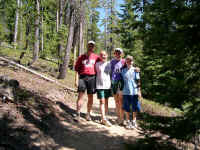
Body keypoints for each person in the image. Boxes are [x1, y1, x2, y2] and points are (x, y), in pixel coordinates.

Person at [74, 40, 101, 121]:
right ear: (87, 46)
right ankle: (77, 114)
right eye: (89, 45)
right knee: (80, 96)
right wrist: (76, 80)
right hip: (82, 77)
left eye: (92, 46)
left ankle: (88, 114)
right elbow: (76, 69)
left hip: (92, 78)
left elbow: (104, 62)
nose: (91, 47)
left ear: (94, 47)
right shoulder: (81, 57)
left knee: (90, 97)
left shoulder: (96, 57)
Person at [120, 55, 142, 129]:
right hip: (125, 91)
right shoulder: (123, 70)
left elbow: (138, 81)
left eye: (130, 60)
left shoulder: (135, 70)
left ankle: (134, 121)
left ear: (133, 61)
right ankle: (128, 121)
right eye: (127, 60)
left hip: (134, 91)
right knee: (126, 107)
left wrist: (139, 91)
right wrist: (120, 90)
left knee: (135, 107)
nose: (129, 62)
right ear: (125, 61)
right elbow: (121, 81)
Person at [95, 51, 112, 127]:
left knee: (106, 102)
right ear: (100, 56)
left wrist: (135, 68)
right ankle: (103, 118)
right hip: (99, 86)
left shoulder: (110, 64)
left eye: (104, 55)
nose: (103, 56)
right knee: (102, 101)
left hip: (108, 86)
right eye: (101, 55)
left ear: (107, 56)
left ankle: (104, 117)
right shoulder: (97, 64)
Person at [110, 48, 126, 125]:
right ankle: (118, 117)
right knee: (116, 101)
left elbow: (130, 67)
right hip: (114, 82)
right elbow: (109, 71)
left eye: (119, 53)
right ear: (114, 54)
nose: (118, 54)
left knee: (121, 101)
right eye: (116, 53)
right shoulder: (112, 62)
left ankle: (122, 118)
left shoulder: (124, 61)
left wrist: (136, 69)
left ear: (122, 54)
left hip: (121, 82)